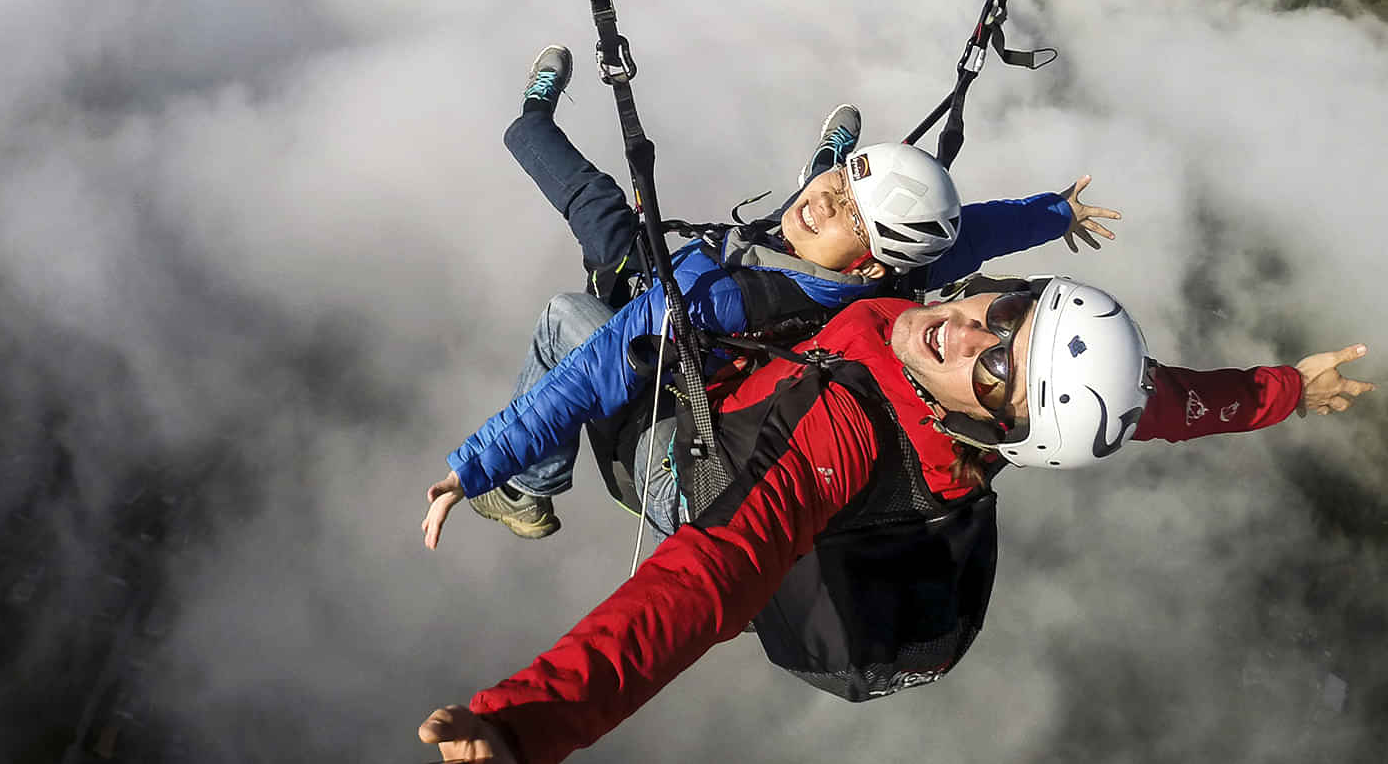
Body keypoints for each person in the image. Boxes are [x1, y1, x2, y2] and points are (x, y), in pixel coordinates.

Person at [417, 274, 1373, 763]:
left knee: (582, 320)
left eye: (993, 367)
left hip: (678, 468)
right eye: (1007, 312)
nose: (962, 330)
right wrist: (1283, 389)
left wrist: (527, 721)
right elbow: (1161, 402)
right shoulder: (1001, 397)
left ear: (992, 425)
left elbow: (700, 589)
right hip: (758, 409)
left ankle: (523, 487)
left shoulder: (845, 434)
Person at [457, 45, 1119, 539]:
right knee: (764, 225)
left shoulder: (716, 295)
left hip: (680, 464)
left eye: (853, 212)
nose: (830, 202)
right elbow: (972, 232)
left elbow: (589, 374)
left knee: (569, 297)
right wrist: (1055, 212)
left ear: (867, 263)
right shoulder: (895, 273)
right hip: (716, 386)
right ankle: (828, 167)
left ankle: (524, 488)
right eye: (840, 183)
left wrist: (479, 464)